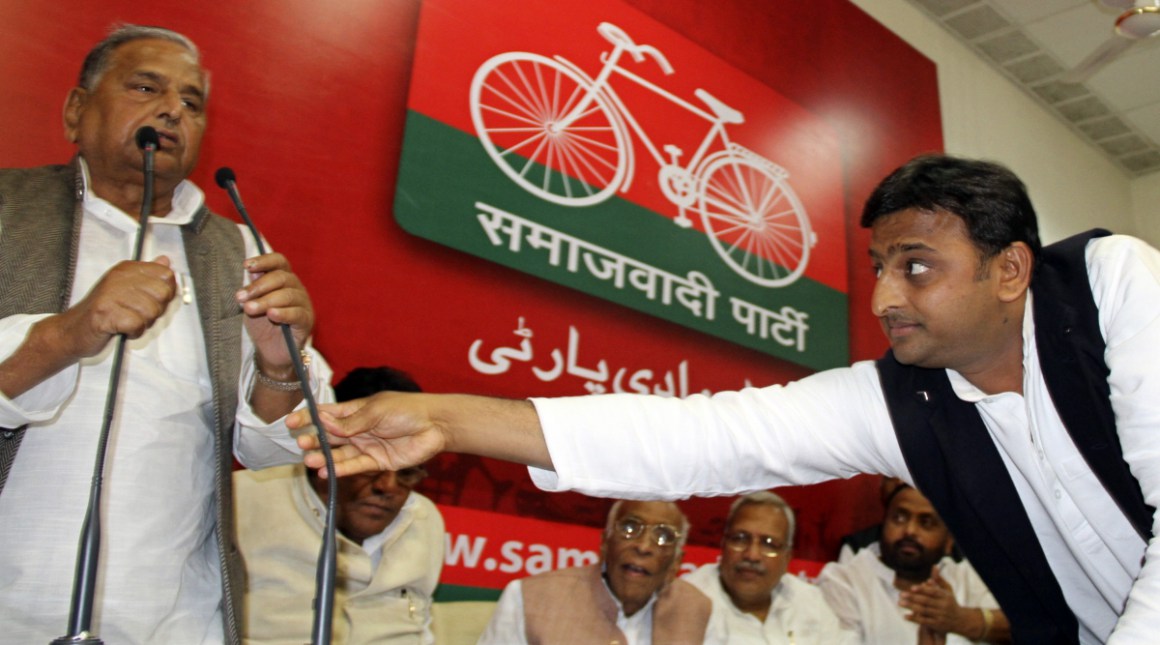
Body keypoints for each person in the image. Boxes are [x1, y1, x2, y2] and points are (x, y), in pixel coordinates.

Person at [290, 154, 1160, 644]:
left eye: (916, 266)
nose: (884, 298)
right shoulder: (901, 399)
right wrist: (446, 417)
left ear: (1009, 268)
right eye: (878, 269)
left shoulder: (1109, 285)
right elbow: (699, 438)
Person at [0, 25, 330, 644]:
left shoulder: (241, 250)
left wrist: (280, 370)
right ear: (76, 111)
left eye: (191, 102)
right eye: (146, 87)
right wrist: (70, 333)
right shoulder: (7, 209)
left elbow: (277, 448)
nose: (172, 110)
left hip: (175, 623)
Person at [235, 366, 443, 644]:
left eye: (407, 471)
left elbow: (423, 628)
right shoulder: (246, 498)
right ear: (328, 445)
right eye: (371, 463)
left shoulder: (424, 518)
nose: (388, 487)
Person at [478, 499, 723, 644]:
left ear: (676, 563)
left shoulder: (700, 610)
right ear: (605, 542)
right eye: (629, 528)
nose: (644, 546)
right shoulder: (528, 596)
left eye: (664, 536)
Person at [817, 484, 1008, 644]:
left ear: (949, 541)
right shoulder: (843, 580)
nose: (909, 531)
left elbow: (1022, 626)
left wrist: (962, 620)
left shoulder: (964, 575)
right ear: (883, 524)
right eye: (899, 518)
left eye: (926, 522)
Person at [684, 491, 854, 644]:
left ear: (787, 557)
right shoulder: (687, 601)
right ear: (723, 544)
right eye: (740, 538)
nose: (752, 555)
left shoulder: (810, 602)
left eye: (769, 544)